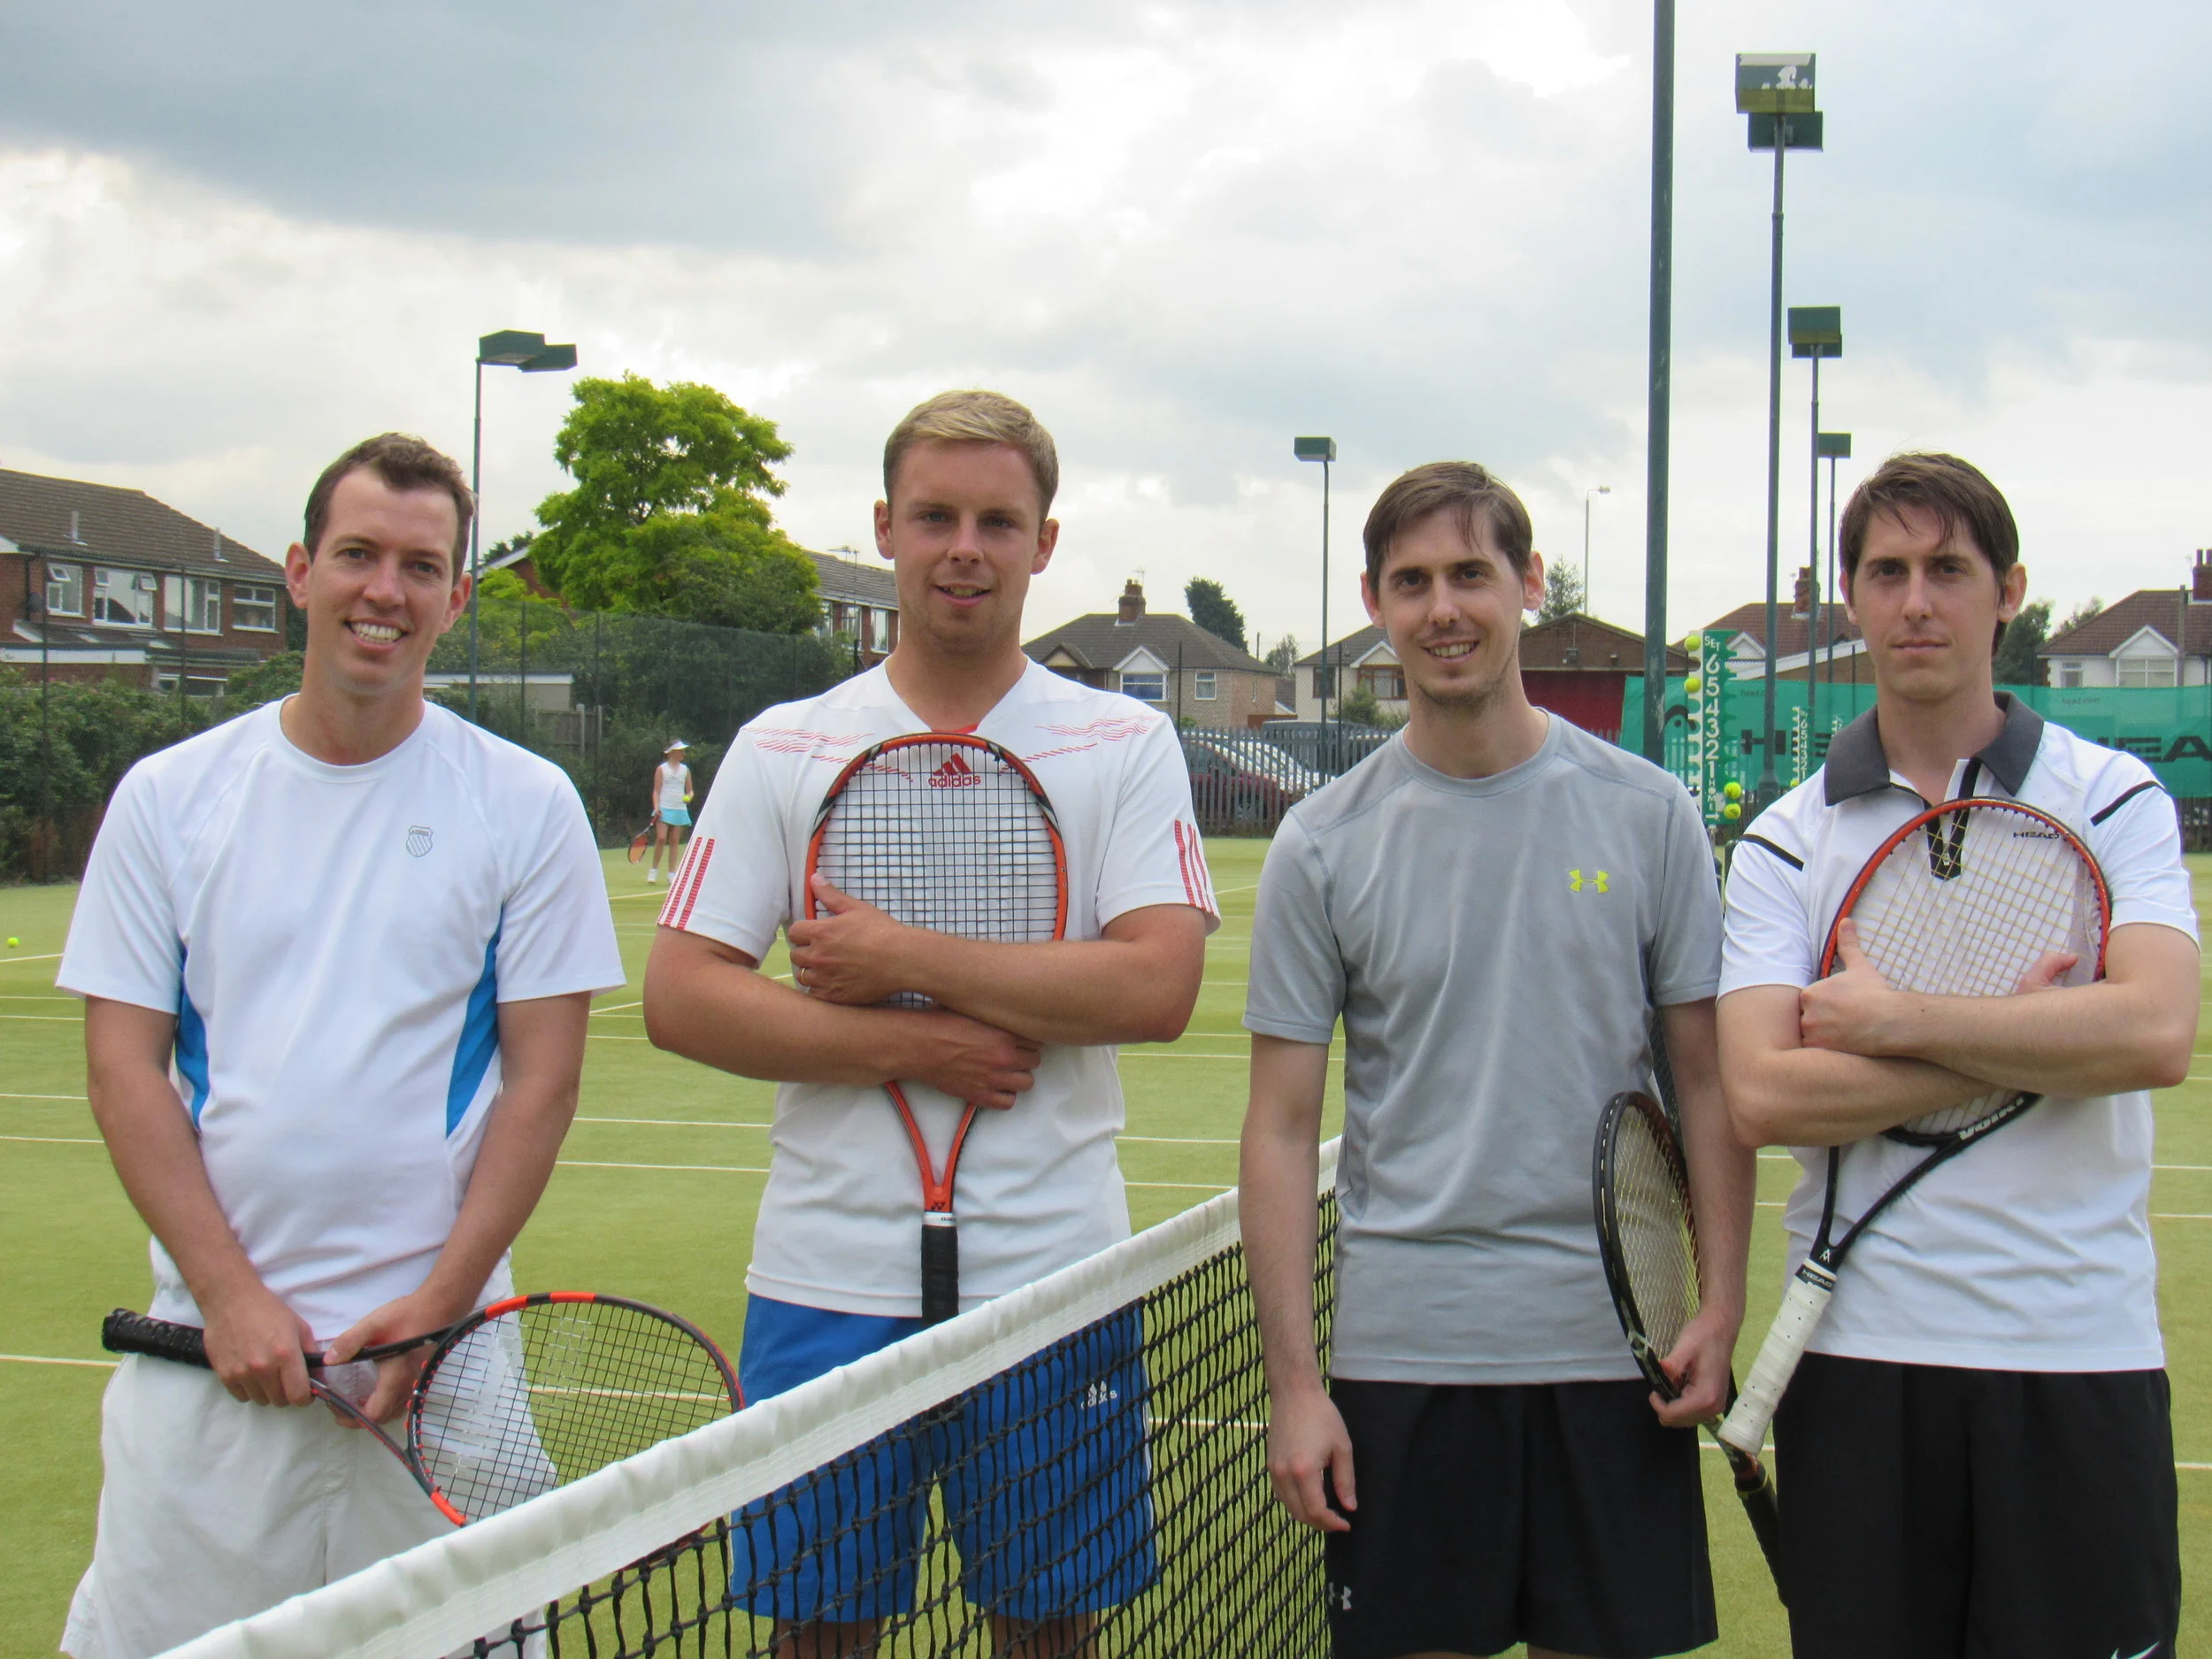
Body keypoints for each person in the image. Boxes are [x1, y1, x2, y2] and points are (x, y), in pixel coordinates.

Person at [643, 389, 1217, 1655]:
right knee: (818, 1637)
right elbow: (680, 994)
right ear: (885, 529)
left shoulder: (1122, 740)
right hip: (823, 1276)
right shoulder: (786, 745)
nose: (966, 547)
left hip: (1054, 1280)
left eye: (997, 522)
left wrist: (899, 958)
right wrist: (910, 1044)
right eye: (936, 517)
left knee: (1048, 1635)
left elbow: (1155, 987)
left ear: (1043, 543)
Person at [58, 433, 625, 1658]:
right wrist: (230, 1299)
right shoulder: (169, 795)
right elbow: (123, 1070)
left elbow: (543, 1082)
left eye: (421, 567)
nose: (385, 591)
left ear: (456, 598)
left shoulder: (527, 804)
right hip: (207, 1368)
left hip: (448, 1372)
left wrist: (437, 1307)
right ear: (300, 570)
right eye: (359, 554)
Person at [1240, 461, 1751, 1659]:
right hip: (1406, 1361)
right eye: (1412, 582)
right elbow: (1279, 1127)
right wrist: (1296, 1385)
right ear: (1374, 602)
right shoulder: (1321, 843)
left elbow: (1708, 1081)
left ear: (1528, 583)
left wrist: (1721, 1306)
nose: (1444, 610)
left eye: (1471, 573)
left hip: (1617, 1351)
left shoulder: (1650, 814)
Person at [1717, 451, 2198, 1657]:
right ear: (1852, 598)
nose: (1917, 601)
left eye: (1948, 568)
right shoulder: (1784, 841)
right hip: (1859, 1365)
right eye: (1887, 572)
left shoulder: (2117, 796)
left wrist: (1894, 1021)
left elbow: (2153, 1030)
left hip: (2078, 1356)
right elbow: (1763, 1093)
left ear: (2009, 591)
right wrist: (2039, 1038)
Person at [646, 738, 694, 883]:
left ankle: (671, 873)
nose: (683, 754)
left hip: (679, 808)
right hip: (664, 808)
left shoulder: (685, 770)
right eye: (681, 751)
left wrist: (688, 797)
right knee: (661, 839)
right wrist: (656, 807)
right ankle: (653, 871)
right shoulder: (661, 769)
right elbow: (656, 791)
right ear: (672, 752)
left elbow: (690, 791)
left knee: (674, 841)